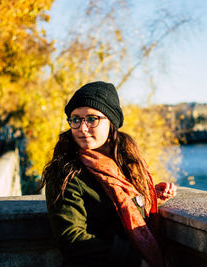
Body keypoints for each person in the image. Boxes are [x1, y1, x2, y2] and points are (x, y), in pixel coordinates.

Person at [41, 81, 177, 267]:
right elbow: (72, 239)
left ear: (111, 122)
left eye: (91, 119)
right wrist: (134, 261)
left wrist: (148, 197)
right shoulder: (65, 172)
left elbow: (118, 205)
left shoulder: (125, 161)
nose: (82, 128)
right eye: (75, 119)